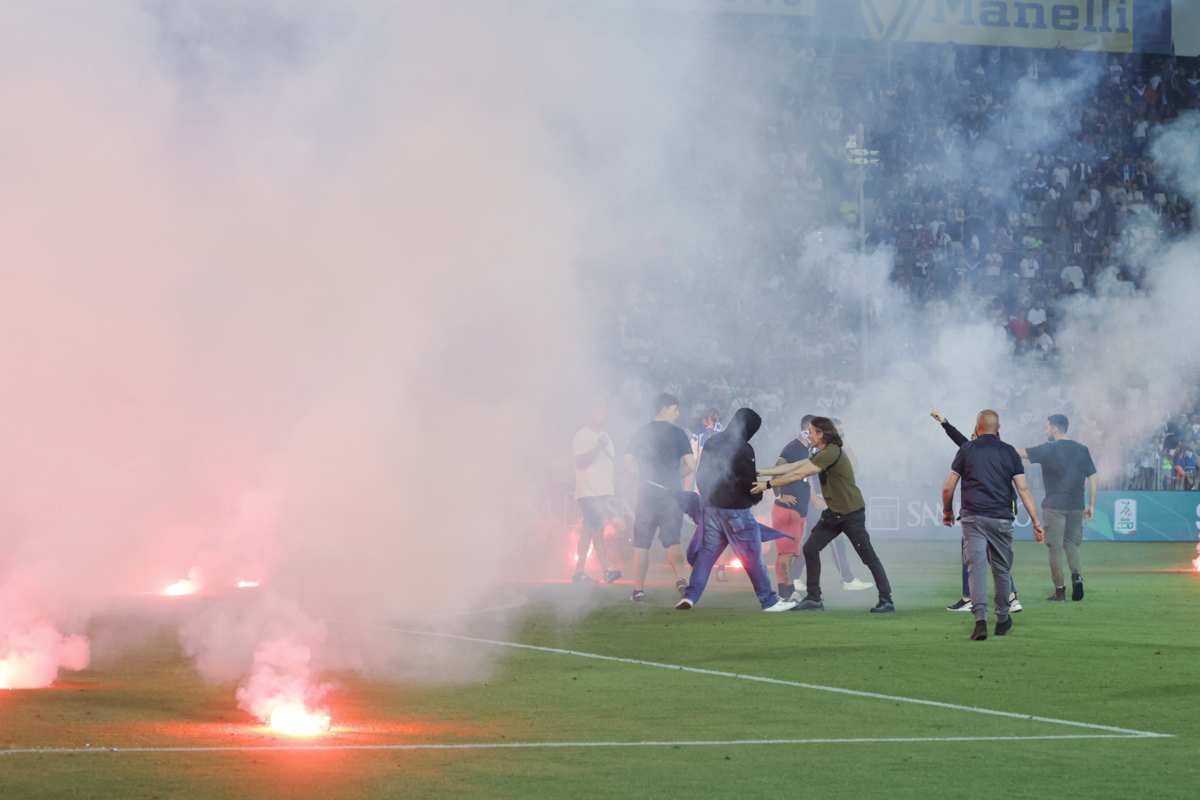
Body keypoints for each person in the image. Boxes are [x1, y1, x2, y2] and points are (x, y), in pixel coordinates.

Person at [756, 417, 895, 613]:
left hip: (851, 513)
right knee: (810, 549)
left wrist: (768, 484)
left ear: (821, 434)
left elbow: (798, 473)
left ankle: (886, 599)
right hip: (834, 514)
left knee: (868, 556)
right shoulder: (821, 452)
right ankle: (814, 598)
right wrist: (762, 471)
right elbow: (794, 466)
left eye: (812, 432)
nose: (809, 436)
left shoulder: (831, 452)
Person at [675, 408, 796, 612]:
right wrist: (755, 497)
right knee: (753, 558)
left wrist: (708, 498)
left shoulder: (712, 442)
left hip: (712, 509)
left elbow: (701, 475)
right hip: (737, 513)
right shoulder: (745, 449)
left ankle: (690, 596)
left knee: (706, 556)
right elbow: (749, 483)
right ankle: (769, 601)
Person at [941, 410, 1045, 641]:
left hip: (973, 518)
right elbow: (1023, 489)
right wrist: (1037, 522)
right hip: (1001, 518)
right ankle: (1003, 618)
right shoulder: (1009, 452)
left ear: (978, 427)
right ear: (998, 428)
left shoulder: (966, 450)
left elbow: (948, 487)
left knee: (976, 568)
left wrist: (947, 511)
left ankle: (980, 621)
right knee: (1001, 569)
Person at [931, 410, 1022, 614]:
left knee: (973, 557)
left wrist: (944, 423)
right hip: (1001, 512)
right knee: (997, 558)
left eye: (973, 435)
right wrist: (944, 422)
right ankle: (1011, 598)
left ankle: (970, 598)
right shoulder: (1001, 452)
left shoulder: (974, 452)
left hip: (980, 513)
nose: (972, 439)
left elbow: (960, 442)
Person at [1017, 414, 1098, 602]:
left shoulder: (1048, 448)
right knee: (1071, 544)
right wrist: (1092, 504)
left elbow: (1021, 453)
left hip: (1054, 506)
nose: (1046, 430)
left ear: (1054, 428)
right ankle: (1077, 577)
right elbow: (1093, 477)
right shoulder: (1082, 449)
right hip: (1076, 505)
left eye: (1047, 427)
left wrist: (995, 443)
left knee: (1054, 548)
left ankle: (1060, 591)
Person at [625, 393, 696, 602]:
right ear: (664, 409)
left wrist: (640, 476)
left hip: (646, 495)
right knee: (673, 540)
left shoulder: (642, 432)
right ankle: (681, 580)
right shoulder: (678, 434)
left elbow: (627, 461)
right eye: (675, 409)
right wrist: (675, 478)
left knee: (641, 543)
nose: (678, 414)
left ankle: (638, 590)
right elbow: (691, 465)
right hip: (671, 496)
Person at [571, 400, 622, 585]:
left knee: (589, 530)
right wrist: (597, 447)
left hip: (603, 491)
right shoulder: (582, 435)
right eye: (597, 411)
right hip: (589, 491)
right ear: (589, 413)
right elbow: (580, 462)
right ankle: (607, 569)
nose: (601, 414)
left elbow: (610, 464)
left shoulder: (606, 436)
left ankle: (579, 571)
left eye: (603, 410)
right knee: (597, 528)